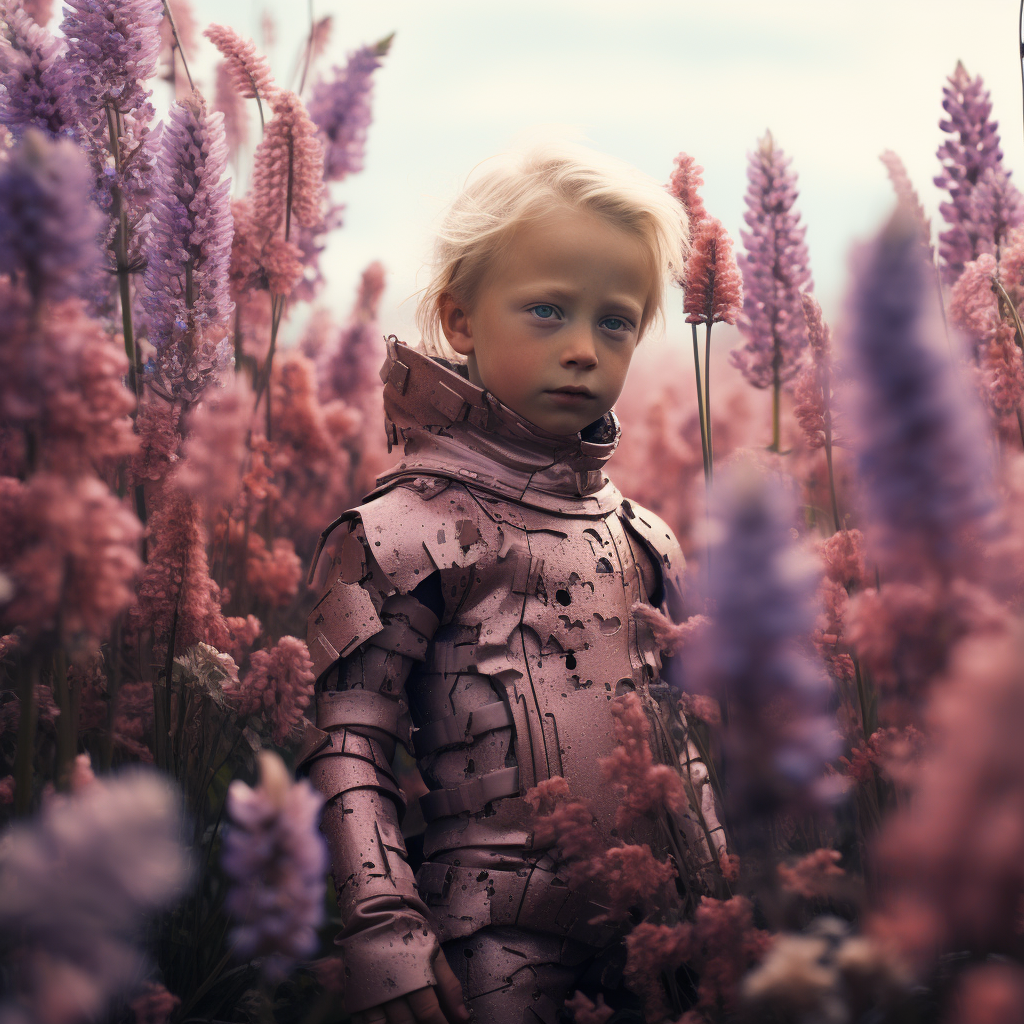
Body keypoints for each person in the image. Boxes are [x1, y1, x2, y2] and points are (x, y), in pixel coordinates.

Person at [302, 143, 726, 1024]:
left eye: (615, 321)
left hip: (663, 936)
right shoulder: (397, 534)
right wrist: (385, 935)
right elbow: (348, 745)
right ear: (460, 320)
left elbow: (680, 747)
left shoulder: (643, 538)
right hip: (493, 948)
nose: (582, 349)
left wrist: (722, 910)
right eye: (546, 311)